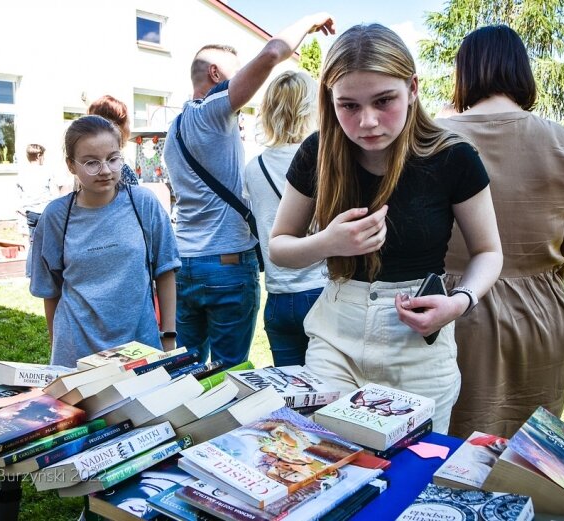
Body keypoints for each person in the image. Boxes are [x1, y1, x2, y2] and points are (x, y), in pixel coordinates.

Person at [268, 24, 503, 434]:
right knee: (325, 458)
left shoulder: (453, 157)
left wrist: (459, 302)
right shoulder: (317, 153)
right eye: (349, 106)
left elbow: (488, 251)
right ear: (330, 101)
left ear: (412, 88)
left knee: (413, 475)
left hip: (417, 344)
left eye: (383, 100)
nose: (368, 122)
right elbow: (279, 247)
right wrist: (328, 242)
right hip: (335, 334)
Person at [437, 25, 564, 439]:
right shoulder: (559, 139)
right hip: (539, 315)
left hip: (452, 309)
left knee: (448, 445)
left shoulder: (434, 137)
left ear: (465, 73)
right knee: (527, 446)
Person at [163, 13, 335, 367]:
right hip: (226, 264)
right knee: (230, 374)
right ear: (215, 74)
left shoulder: (173, 131)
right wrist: (312, 22)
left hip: (186, 263)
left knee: (186, 370)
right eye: (237, 72)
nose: (245, 82)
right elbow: (272, 53)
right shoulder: (211, 112)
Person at [29, 115, 180, 367]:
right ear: (71, 165)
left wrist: (168, 337)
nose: (106, 170)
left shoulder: (143, 203)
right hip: (76, 352)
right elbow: (50, 290)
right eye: (91, 163)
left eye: (113, 158)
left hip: (140, 346)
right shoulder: (56, 216)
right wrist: (57, 349)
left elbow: (165, 272)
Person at [242, 71, 326, 366]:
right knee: (330, 393)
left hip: (277, 296)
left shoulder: (254, 168)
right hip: (320, 289)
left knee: (292, 396)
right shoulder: (323, 159)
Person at [16, 144, 65, 276]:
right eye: (43, 156)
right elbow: (54, 194)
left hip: (30, 212)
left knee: (33, 242)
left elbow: (19, 195)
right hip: (44, 211)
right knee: (50, 241)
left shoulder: (22, 173)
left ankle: (30, 272)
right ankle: (49, 271)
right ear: (39, 156)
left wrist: (23, 210)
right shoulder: (46, 172)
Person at [87, 95, 139, 186]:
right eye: (128, 123)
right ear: (117, 128)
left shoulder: (83, 169)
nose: (129, 132)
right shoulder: (121, 171)